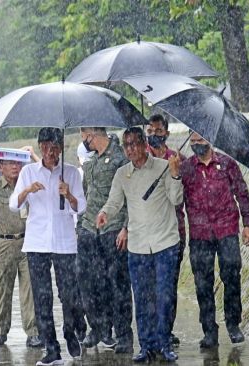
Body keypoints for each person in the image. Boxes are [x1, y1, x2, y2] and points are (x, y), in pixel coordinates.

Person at [96, 127, 182, 363]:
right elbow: (114, 202)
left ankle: (164, 343)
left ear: (145, 143)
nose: (131, 149)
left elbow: (176, 199)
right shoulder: (122, 174)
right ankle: (146, 345)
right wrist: (105, 213)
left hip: (165, 243)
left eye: (135, 143)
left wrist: (175, 174)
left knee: (164, 297)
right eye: (127, 145)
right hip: (138, 246)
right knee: (143, 299)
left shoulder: (164, 166)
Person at [10, 127, 87, 366]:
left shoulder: (71, 173)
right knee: (42, 298)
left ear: (61, 148)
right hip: (37, 243)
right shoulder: (29, 172)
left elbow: (80, 207)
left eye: (56, 147)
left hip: (65, 243)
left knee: (70, 295)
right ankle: (51, 347)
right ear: (40, 147)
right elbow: (14, 204)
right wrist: (27, 190)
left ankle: (69, 330)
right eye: (47, 147)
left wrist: (69, 194)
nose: (52, 152)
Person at [180, 131, 249, 349]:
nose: (196, 145)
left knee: (231, 274)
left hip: (226, 230)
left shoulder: (227, 164)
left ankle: (233, 323)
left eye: (200, 141)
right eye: (192, 142)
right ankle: (209, 330)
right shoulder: (186, 169)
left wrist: (247, 224)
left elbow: (242, 192)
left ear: (209, 140)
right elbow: (176, 199)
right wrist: (175, 175)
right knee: (202, 283)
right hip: (199, 234)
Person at [77, 127, 133, 353]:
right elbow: (88, 193)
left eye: (84, 136)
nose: (84, 141)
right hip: (90, 228)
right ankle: (99, 326)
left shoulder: (119, 158)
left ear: (93, 133)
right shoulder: (93, 161)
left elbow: (130, 195)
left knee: (117, 285)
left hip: (113, 228)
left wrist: (126, 227)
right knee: (90, 282)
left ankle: (124, 334)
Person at [0, 145, 42, 349]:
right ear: (1, 166)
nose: (15, 167)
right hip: (3, 243)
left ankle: (32, 332)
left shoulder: (28, 182)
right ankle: (0, 331)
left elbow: (46, 176)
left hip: (27, 241)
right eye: (10, 163)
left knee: (29, 290)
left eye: (18, 162)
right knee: (2, 291)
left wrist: (33, 155)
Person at [145, 114, 186, 346]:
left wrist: (174, 173)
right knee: (149, 286)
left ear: (167, 133)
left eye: (158, 131)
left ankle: (166, 331)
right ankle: (151, 331)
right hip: (147, 234)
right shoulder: (141, 160)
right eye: (150, 131)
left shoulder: (178, 160)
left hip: (173, 233)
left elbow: (181, 200)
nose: (154, 135)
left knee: (168, 286)